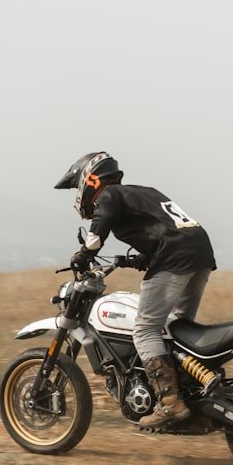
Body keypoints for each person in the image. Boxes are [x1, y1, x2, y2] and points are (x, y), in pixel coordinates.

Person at [54, 151, 216, 430]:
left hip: (175, 257)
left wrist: (82, 255)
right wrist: (143, 258)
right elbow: (164, 227)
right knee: (176, 328)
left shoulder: (109, 195)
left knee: (144, 329)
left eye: (78, 185)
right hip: (199, 253)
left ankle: (170, 403)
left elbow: (95, 238)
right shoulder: (142, 192)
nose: (78, 193)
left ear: (90, 179)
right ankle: (193, 394)